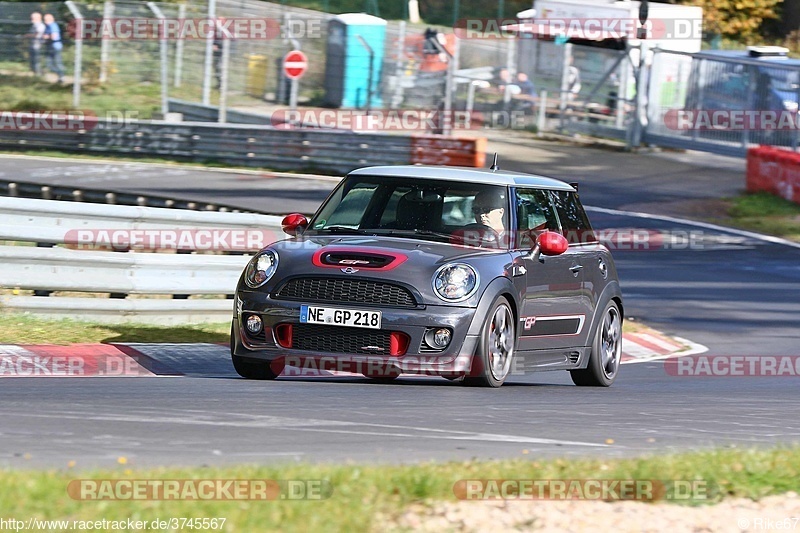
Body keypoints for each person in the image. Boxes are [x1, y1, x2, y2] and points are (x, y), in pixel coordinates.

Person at [42, 13, 64, 83]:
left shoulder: (53, 26)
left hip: (55, 47)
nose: (45, 21)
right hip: (50, 47)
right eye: (44, 20)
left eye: (46, 20)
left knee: (57, 63)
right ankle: (60, 75)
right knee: (49, 64)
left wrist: (46, 37)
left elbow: (54, 36)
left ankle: (61, 76)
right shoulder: (48, 26)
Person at [28, 12, 45, 76]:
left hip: (37, 45)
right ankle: (35, 73)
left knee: (37, 61)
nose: (31, 19)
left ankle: (39, 74)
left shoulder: (40, 25)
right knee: (32, 61)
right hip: (32, 45)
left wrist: (28, 35)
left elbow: (36, 34)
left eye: (33, 18)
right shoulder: (34, 25)